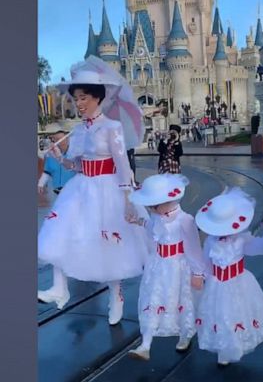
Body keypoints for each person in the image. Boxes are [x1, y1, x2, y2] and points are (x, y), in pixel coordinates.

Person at [38, 56, 150, 325]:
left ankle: (116, 294)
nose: (79, 103)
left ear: (98, 97)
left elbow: (123, 165)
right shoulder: (77, 131)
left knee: (110, 243)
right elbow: (76, 165)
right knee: (62, 231)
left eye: (83, 97)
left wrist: (127, 200)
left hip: (107, 189)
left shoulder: (112, 128)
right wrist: (58, 157)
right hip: (81, 188)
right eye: (76, 98)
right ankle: (59, 288)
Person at [194, 188, 263, 366]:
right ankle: (225, 347)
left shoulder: (242, 239)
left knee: (237, 313)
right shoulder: (211, 241)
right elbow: (205, 260)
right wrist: (200, 275)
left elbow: (260, 247)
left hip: (238, 282)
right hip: (216, 283)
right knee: (219, 314)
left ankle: (236, 344)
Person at [127, 174, 207, 361]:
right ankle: (145, 344)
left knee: (181, 299)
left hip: (178, 266)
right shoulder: (157, 216)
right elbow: (151, 226)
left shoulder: (185, 220)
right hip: (158, 264)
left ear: (167, 201)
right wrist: (138, 221)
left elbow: (194, 248)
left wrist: (197, 273)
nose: (150, 209)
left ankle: (185, 334)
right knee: (153, 298)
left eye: (153, 205)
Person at [38, 125, 76, 196]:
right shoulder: (50, 155)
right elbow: (47, 172)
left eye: (61, 139)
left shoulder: (74, 154)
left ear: (67, 139)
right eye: (56, 139)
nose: (59, 141)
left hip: (73, 191)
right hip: (56, 192)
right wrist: (41, 183)